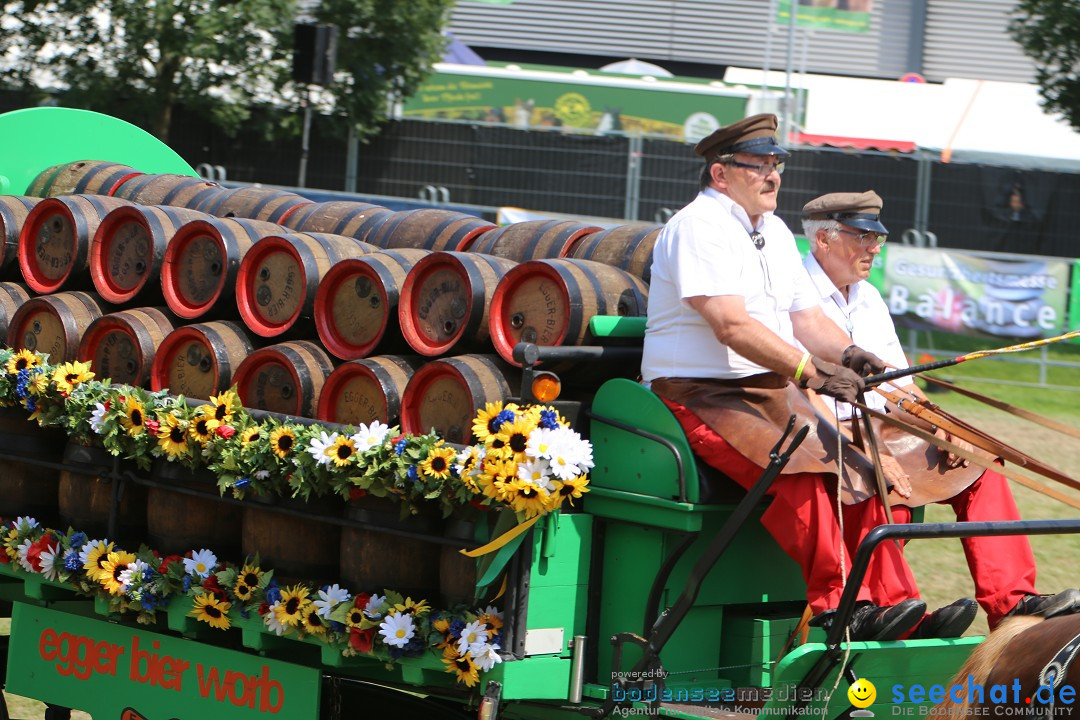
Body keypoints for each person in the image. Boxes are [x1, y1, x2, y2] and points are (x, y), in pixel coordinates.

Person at [641, 113, 969, 642]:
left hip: (768, 388)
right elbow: (730, 325)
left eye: (777, 165)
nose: (773, 176)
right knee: (803, 468)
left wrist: (851, 353)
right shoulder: (698, 227)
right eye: (759, 166)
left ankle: (895, 608)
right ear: (721, 174)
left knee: (860, 466)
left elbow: (806, 319)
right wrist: (811, 372)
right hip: (700, 393)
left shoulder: (770, 230)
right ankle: (840, 608)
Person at [800, 190, 1080, 631]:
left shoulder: (869, 297)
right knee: (877, 480)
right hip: (827, 430)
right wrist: (872, 452)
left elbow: (899, 382)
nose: (875, 247)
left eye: (879, 237)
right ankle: (897, 612)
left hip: (883, 425)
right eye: (864, 236)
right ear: (824, 239)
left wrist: (941, 426)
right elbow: (801, 392)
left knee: (981, 459)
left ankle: (1012, 602)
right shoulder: (794, 294)